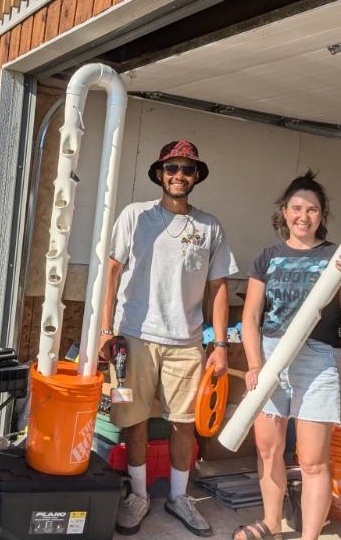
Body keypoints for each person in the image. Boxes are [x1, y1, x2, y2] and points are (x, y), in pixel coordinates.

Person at [99, 139, 238, 537]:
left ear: (197, 177)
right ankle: (139, 494)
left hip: (187, 344)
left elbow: (219, 288)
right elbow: (111, 273)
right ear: (160, 174)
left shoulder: (210, 226)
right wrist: (105, 330)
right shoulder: (134, 216)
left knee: (183, 422)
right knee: (131, 414)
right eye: (172, 168)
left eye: (188, 169)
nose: (179, 175)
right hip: (132, 339)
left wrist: (221, 346)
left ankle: (179, 498)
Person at [234, 171, 341, 540]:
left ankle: (308, 536)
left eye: (312, 210)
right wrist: (255, 365)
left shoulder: (336, 257)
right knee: (268, 448)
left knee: (312, 461)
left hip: (317, 358)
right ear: (284, 211)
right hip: (272, 354)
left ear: (322, 215)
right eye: (297, 208)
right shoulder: (267, 257)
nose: (303, 216)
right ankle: (271, 523)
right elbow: (250, 317)